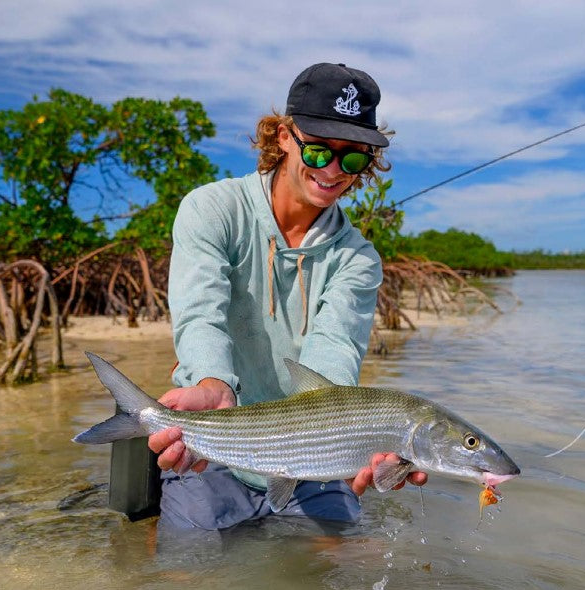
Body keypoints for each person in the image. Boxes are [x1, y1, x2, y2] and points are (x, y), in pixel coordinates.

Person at [148, 62, 426, 531]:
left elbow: (334, 353)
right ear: (282, 136)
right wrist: (214, 384)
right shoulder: (212, 209)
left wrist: (355, 442)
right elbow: (200, 317)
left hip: (314, 456)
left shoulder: (359, 259)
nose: (334, 171)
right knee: (185, 573)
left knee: (343, 569)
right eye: (318, 151)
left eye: (353, 158)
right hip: (215, 447)